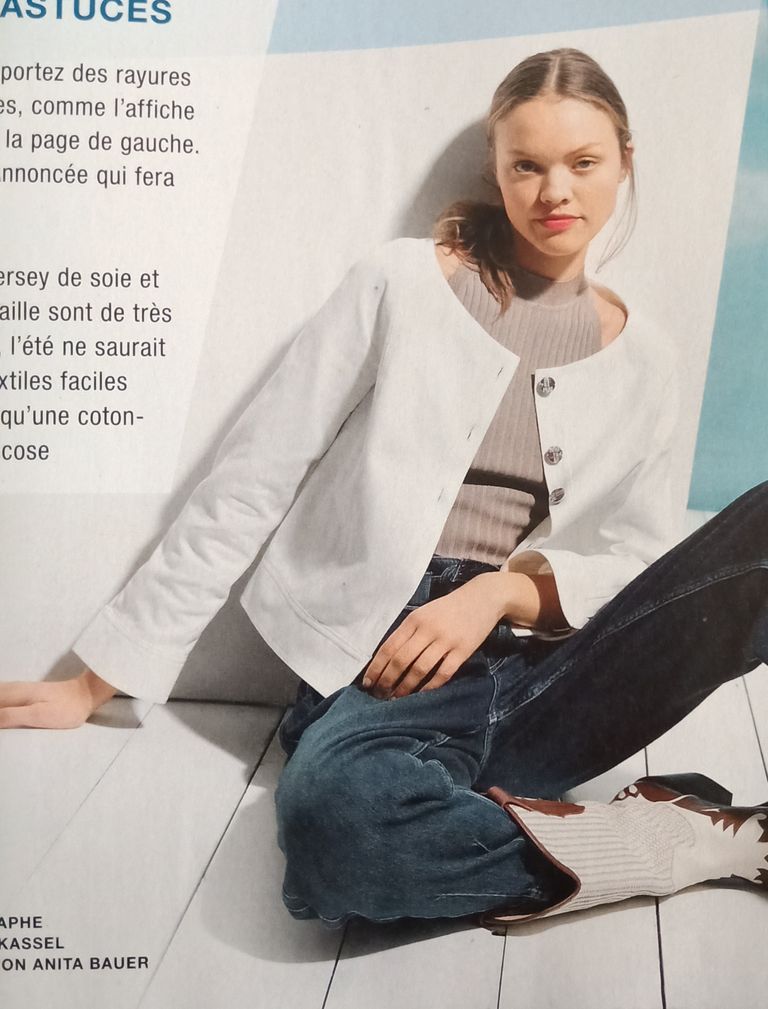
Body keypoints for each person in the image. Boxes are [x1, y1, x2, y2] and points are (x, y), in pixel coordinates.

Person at [2, 48, 767, 927]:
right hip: (383, 674)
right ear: (497, 168)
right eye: (527, 165)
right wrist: (96, 681)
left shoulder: (647, 360)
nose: (555, 191)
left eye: (584, 162)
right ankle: (679, 840)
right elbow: (253, 478)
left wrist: (500, 591)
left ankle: (554, 822)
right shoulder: (402, 283)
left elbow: (634, 557)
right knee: (337, 829)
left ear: (625, 161)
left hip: (551, 668)